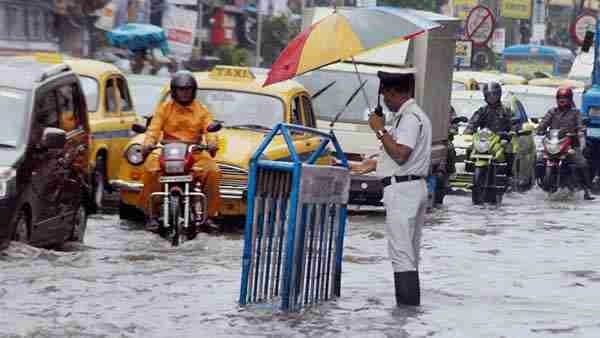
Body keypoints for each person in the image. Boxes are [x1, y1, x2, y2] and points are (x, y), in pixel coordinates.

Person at [349, 71, 432, 306]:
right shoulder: (411, 116)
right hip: (410, 187)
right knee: (409, 254)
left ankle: (404, 314)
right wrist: (371, 164)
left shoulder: (409, 118)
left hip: (403, 192)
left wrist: (379, 129)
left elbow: (401, 154)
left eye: (385, 94)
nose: (384, 100)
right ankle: (410, 314)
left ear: (394, 92)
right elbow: (400, 155)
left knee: (402, 255)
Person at [140, 71, 222, 230]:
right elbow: (153, 130)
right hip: (167, 150)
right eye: (181, 89)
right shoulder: (164, 108)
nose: (185, 93)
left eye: (188, 89)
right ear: (174, 91)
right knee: (151, 168)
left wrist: (212, 143)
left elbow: (210, 130)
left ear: (193, 91)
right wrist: (148, 144)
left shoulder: (202, 110)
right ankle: (152, 214)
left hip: (195, 151)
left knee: (213, 171)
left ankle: (210, 215)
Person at [536, 87, 595, 200]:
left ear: (570, 99)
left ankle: (587, 190)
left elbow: (580, 126)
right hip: (553, 145)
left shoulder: (575, 112)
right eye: (560, 98)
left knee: (582, 163)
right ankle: (538, 183)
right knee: (539, 160)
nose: (562, 100)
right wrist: (539, 129)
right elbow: (543, 124)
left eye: (565, 98)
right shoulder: (552, 112)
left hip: (571, 145)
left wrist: (579, 131)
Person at [463, 82, 515, 186]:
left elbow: (513, 124)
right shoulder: (482, 110)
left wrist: (510, 133)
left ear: (499, 95)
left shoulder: (506, 111)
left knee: (509, 149)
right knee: (470, 148)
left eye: (494, 94)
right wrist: (468, 131)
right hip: (485, 141)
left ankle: (509, 175)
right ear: (485, 96)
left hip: (500, 140)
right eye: (489, 95)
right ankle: (469, 170)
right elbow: (473, 122)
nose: (491, 97)